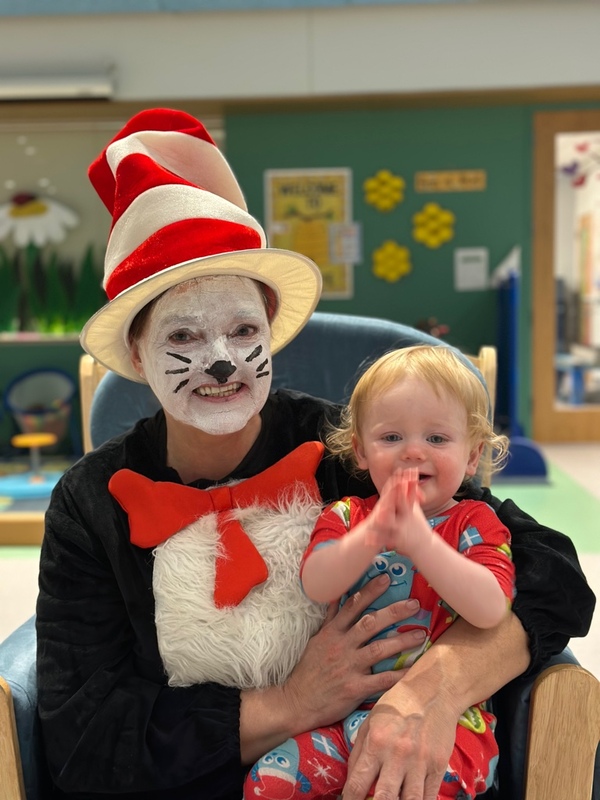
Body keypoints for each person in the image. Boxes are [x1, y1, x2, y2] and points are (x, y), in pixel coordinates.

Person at [35, 108, 595, 800]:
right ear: (138, 357)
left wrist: (431, 689)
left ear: (272, 334)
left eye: (244, 329)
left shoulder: (348, 449)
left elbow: (551, 573)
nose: (221, 364)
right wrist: (294, 704)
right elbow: (83, 739)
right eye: (183, 338)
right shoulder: (93, 502)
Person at [246, 345, 515, 799]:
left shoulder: (476, 523)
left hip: (443, 726)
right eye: (391, 438)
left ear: (472, 456)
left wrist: (420, 543)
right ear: (361, 451)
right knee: (268, 782)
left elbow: (491, 608)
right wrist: (373, 535)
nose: (413, 452)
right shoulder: (348, 515)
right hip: (341, 718)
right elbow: (317, 583)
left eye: (436, 439)